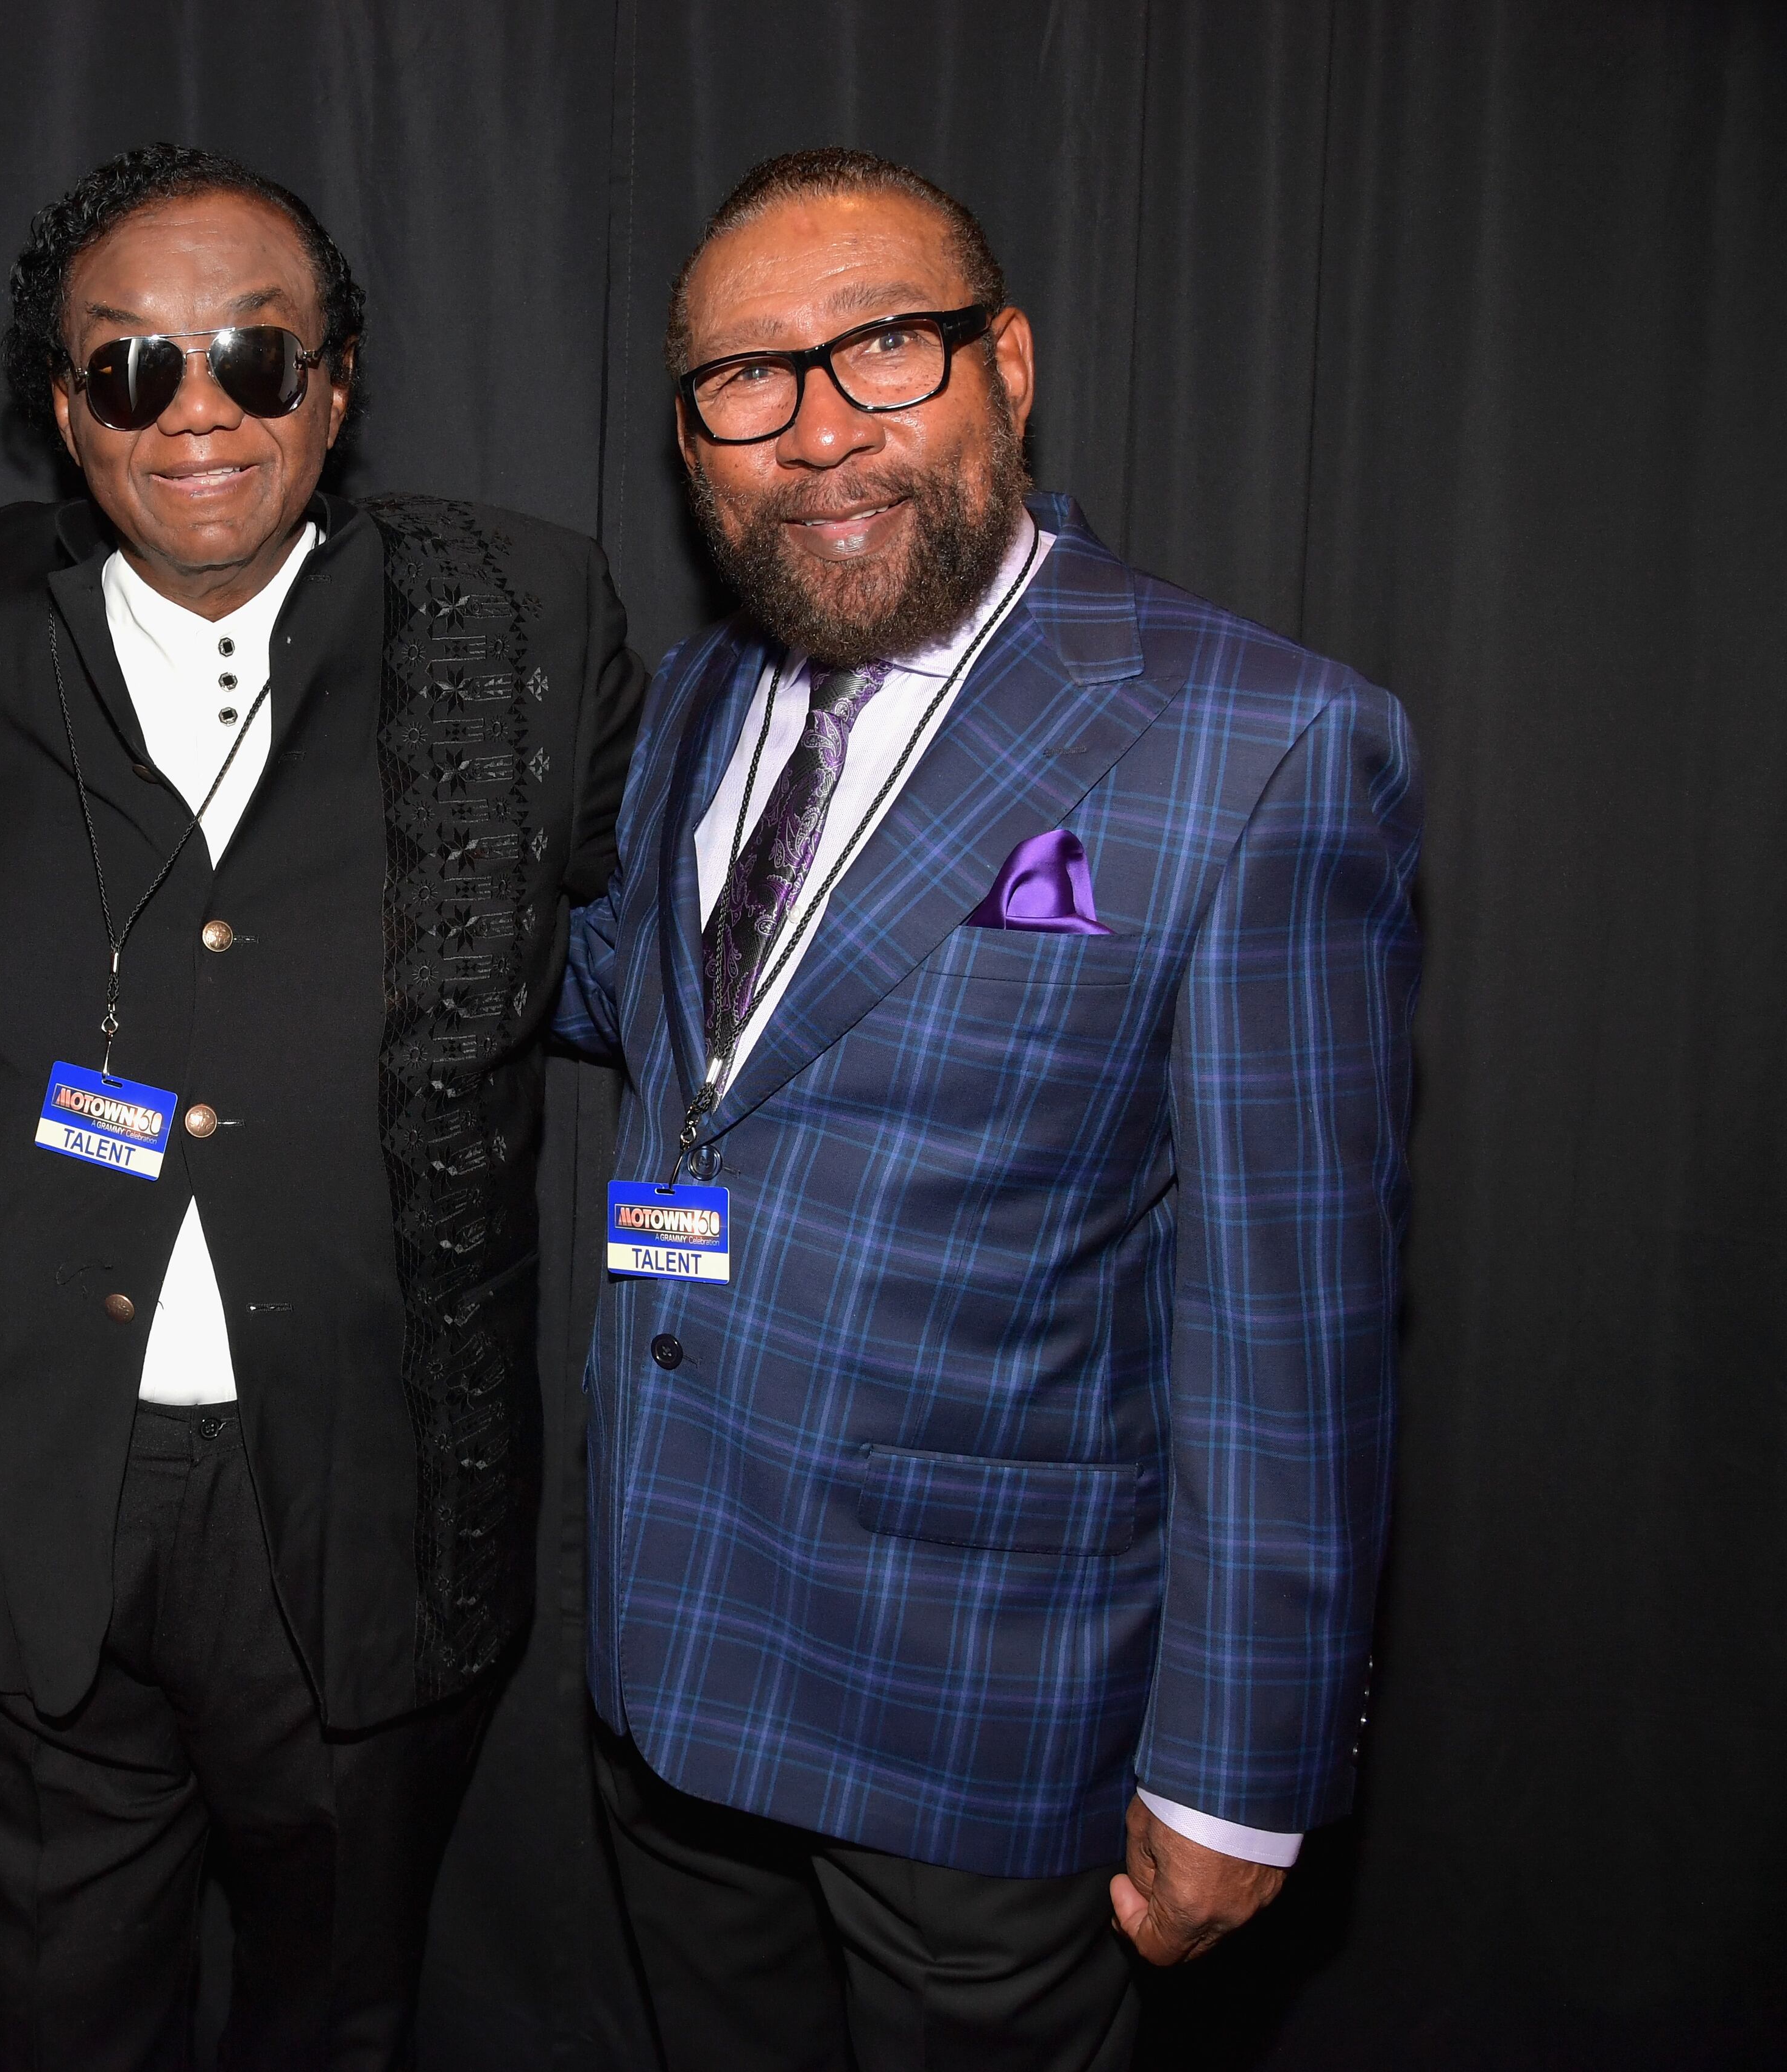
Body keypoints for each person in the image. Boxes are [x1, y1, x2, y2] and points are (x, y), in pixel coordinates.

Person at [560, 148, 1420, 2069]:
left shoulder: (1257, 740)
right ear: (692, 440)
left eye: (885, 348)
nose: (821, 431)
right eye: (748, 380)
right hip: (673, 1662)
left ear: (1006, 365)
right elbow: (651, 1010)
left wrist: (1241, 1768)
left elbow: (1296, 1315)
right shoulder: (696, 701)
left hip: (986, 1720)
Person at [0, 143, 642, 2070]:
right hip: (48, 1493)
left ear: (337, 385)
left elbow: (659, 955)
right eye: (132, 367)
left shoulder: (523, 619)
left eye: (256, 357)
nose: (197, 410)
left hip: (376, 1502)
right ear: (66, 411)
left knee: (337, 2019)